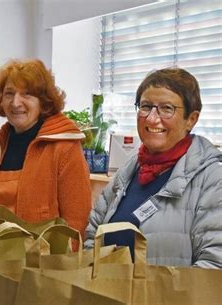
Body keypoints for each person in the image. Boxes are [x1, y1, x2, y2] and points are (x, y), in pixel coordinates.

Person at [84, 67, 222, 268]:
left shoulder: (213, 179)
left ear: (191, 119)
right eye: (146, 106)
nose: (151, 118)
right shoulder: (129, 169)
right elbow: (93, 234)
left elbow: (214, 265)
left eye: (167, 108)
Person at [0, 59, 92, 238]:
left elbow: (77, 221)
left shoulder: (65, 148)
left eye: (27, 94)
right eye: (9, 93)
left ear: (43, 102)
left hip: (42, 263)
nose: (16, 102)